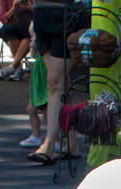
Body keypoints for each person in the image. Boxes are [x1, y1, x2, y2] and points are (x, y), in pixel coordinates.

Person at [28, 0, 87, 165]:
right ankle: (71, 144)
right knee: (59, 85)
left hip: (64, 14)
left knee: (54, 82)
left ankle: (49, 145)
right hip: (41, 13)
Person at [0, 0, 33, 81]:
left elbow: (39, 15)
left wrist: (30, 8)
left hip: (27, 25)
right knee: (10, 30)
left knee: (30, 32)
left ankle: (13, 67)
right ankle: (17, 67)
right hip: (12, 26)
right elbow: (3, 18)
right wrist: (13, 8)